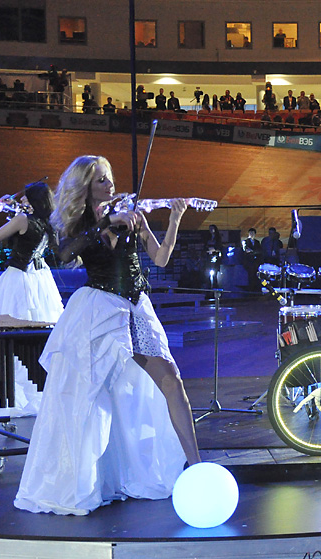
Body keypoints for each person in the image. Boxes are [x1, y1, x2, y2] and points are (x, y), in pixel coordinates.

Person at [14, 155, 201, 516]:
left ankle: (195, 465)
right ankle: (79, 480)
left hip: (136, 307)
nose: (110, 185)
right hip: (99, 311)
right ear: (84, 186)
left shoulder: (133, 215)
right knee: (86, 397)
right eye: (101, 180)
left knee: (171, 381)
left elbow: (160, 259)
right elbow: (64, 253)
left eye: (110, 178)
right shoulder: (78, 220)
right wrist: (105, 222)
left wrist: (175, 219)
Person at [0, 181, 65, 416]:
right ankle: (40, 390)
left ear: (33, 201)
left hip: (18, 281)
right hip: (40, 280)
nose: (21, 201)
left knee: (9, 336)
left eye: (26, 198)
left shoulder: (23, 220)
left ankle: (14, 395)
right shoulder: (47, 222)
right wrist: (13, 209)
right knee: (37, 338)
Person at [242, 227, 262, 291]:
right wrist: (254, 251)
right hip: (249, 261)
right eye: (250, 233)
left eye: (253, 233)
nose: (251, 234)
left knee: (256, 276)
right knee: (250, 276)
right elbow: (246, 250)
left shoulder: (257, 242)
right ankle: (251, 289)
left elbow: (260, 251)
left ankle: (256, 289)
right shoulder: (245, 242)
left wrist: (253, 251)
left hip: (256, 261)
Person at [207, 224, 223, 289]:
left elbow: (219, 247)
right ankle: (209, 288)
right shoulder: (208, 237)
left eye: (212, 228)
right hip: (208, 256)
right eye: (210, 228)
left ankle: (215, 287)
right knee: (208, 273)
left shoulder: (218, 238)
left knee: (215, 274)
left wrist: (214, 250)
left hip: (215, 256)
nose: (211, 230)